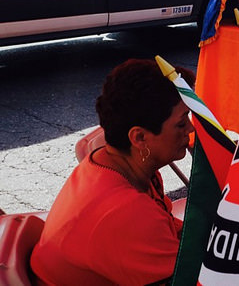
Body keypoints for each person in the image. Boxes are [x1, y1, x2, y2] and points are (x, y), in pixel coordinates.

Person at [31, 59, 194, 285]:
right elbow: (190, 279)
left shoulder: (108, 161)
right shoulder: (130, 213)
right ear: (138, 137)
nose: (191, 129)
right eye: (181, 122)